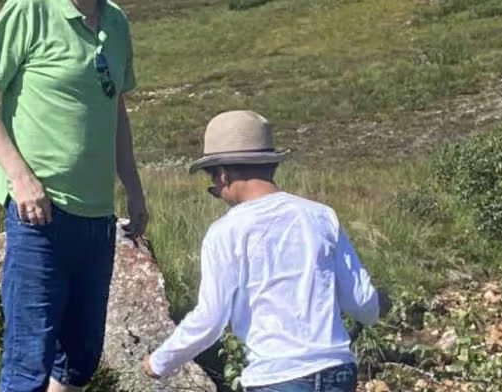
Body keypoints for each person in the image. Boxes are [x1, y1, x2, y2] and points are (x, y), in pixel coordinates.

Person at [0, 0, 148, 392]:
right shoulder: (28, 9)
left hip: (97, 219)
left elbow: (115, 109)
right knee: (29, 361)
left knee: (78, 361)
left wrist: (133, 189)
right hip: (38, 215)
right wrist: (21, 180)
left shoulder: (117, 24)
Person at [141, 110, 390, 392]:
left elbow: (210, 319)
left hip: (276, 377)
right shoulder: (321, 216)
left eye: (213, 186)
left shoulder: (225, 232)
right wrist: (378, 308)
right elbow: (362, 302)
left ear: (222, 175)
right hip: (338, 371)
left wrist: (159, 362)